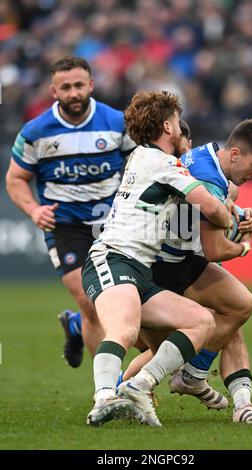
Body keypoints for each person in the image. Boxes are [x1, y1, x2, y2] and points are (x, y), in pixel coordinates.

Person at [82, 90, 231, 427]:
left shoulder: (141, 156)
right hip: (113, 258)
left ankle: (139, 385)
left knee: (201, 321)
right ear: (167, 126)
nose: (181, 131)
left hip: (139, 270)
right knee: (124, 328)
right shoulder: (163, 163)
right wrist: (230, 218)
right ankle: (104, 397)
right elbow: (209, 207)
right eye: (178, 124)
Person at [121, 118, 252, 423]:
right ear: (235, 154)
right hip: (158, 269)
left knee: (238, 309)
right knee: (167, 349)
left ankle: (232, 399)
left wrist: (242, 214)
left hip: (181, 261)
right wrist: (246, 244)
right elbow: (215, 250)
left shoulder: (208, 155)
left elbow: (224, 198)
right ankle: (120, 391)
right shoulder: (208, 179)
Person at [6, 56, 136, 368]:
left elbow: (139, 165)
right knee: (90, 300)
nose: (74, 93)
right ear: (53, 91)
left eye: (79, 85)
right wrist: (33, 210)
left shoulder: (118, 122)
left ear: (91, 85)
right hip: (65, 225)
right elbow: (15, 179)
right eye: (66, 87)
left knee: (128, 298)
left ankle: (76, 325)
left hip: (114, 222)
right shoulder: (36, 132)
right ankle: (108, 388)